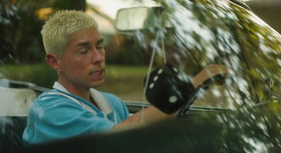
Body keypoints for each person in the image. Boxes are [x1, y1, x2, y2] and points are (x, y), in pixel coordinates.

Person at [22, 10, 176, 145]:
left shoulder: (113, 103)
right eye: (83, 51)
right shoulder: (50, 111)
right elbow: (115, 137)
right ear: (55, 62)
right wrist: (181, 93)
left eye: (100, 47)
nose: (98, 57)